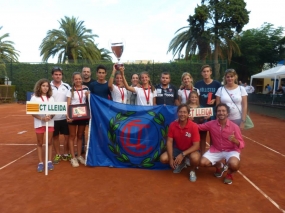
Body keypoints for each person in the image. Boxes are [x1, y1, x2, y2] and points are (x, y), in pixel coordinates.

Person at [198, 103, 245, 184]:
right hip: (216, 149)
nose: (221, 113)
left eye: (223, 111)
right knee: (202, 163)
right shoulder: (211, 124)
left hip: (231, 150)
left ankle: (229, 174)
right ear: (216, 113)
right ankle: (219, 165)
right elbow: (198, 127)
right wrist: (187, 121)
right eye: (219, 111)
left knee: (234, 164)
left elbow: (242, 144)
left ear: (227, 113)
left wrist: (235, 141)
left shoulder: (234, 127)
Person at [160, 104, 200, 182]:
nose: (182, 114)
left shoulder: (194, 126)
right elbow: (169, 141)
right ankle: (182, 163)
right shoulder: (172, 125)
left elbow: (196, 145)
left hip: (191, 150)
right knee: (163, 159)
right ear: (177, 113)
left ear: (188, 114)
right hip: (178, 149)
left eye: (185, 112)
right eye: (180, 112)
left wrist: (183, 154)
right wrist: (171, 158)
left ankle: (192, 170)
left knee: (195, 158)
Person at [194, 65, 221, 154]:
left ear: (211, 72)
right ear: (202, 73)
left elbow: (220, 97)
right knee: (202, 135)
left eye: (207, 71)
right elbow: (194, 96)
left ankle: (213, 155)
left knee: (213, 134)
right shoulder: (197, 84)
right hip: (201, 110)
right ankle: (202, 155)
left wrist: (215, 99)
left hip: (212, 111)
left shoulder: (217, 84)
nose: (206, 73)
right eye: (204, 71)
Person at [31, 79, 55, 172]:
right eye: (43, 86)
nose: (45, 88)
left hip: (50, 123)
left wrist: (51, 116)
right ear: (39, 86)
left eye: (47, 86)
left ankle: (49, 161)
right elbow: (32, 113)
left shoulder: (51, 98)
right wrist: (42, 119)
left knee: (49, 142)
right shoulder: (34, 98)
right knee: (40, 142)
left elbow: (55, 111)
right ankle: (40, 162)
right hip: (39, 123)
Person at [66, 72, 89, 167]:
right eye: (76, 79)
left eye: (79, 79)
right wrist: (67, 115)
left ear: (82, 79)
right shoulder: (70, 90)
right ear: (73, 80)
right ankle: (73, 158)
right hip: (73, 115)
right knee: (72, 136)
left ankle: (79, 156)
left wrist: (88, 95)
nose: (78, 80)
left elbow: (90, 100)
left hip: (83, 115)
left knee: (80, 135)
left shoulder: (86, 89)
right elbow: (68, 103)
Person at [51, 67, 71, 164]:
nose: (58, 76)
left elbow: (72, 98)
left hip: (65, 117)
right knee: (55, 137)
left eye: (59, 74)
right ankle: (58, 154)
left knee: (67, 137)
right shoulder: (48, 86)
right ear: (52, 75)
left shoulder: (67, 86)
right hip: (52, 118)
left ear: (62, 75)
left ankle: (66, 153)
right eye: (56, 74)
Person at [81, 66, 95, 154]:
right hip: (81, 110)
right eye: (84, 71)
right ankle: (82, 148)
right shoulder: (78, 82)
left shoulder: (95, 83)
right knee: (81, 131)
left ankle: (91, 149)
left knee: (92, 130)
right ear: (82, 73)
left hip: (92, 110)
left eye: (88, 71)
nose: (86, 73)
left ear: (90, 73)